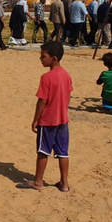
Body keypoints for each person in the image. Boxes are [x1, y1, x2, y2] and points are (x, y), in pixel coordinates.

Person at [25, 41, 72, 192]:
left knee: (43, 151)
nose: (40, 59)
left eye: (43, 56)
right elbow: (68, 95)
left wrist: (35, 119)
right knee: (63, 152)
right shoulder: (66, 75)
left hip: (48, 120)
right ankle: (64, 183)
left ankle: (38, 182)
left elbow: (42, 100)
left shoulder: (46, 77)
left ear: (54, 58)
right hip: (63, 119)